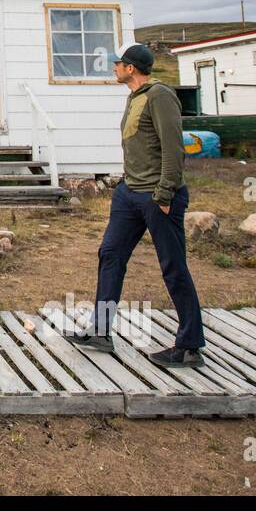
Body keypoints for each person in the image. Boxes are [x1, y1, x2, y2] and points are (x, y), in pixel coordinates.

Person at [64, 43, 206, 368]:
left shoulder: (160, 95)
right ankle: (100, 330)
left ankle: (190, 345)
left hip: (157, 196)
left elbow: (174, 148)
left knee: (173, 267)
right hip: (129, 194)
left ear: (131, 68)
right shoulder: (134, 97)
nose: (114, 66)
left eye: (119, 63)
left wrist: (166, 194)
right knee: (110, 254)